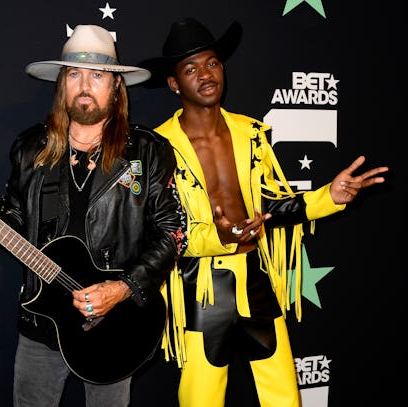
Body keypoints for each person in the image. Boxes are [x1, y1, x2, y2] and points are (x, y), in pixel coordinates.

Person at [138, 18, 388, 407]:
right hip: (203, 288)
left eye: (213, 63)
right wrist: (218, 237)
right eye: (191, 69)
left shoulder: (250, 132)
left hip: (256, 278)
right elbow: (161, 230)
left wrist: (329, 196)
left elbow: (272, 205)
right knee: (200, 399)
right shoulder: (157, 146)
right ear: (173, 83)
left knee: (284, 396)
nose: (206, 75)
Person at [0, 24, 187, 407]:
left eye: (97, 75)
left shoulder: (148, 152)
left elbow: (173, 233)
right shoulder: (31, 149)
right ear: (61, 85)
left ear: (115, 87)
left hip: (117, 323)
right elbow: (13, 217)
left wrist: (123, 289)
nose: (85, 85)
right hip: (41, 321)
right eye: (74, 74)